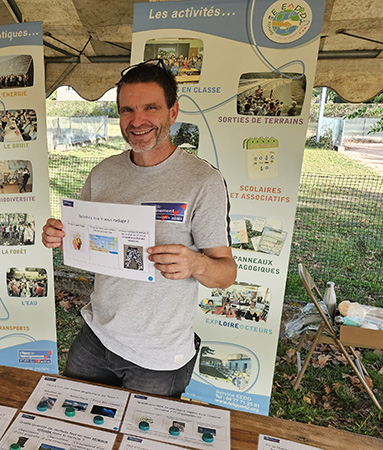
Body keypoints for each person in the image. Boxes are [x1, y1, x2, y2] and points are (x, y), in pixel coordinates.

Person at [41, 61, 236, 398]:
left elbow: (226, 274)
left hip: (157, 356)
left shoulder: (203, 181)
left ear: (173, 112)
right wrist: (59, 236)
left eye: (150, 108)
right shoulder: (103, 173)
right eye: (127, 110)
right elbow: (85, 240)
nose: (137, 120)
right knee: (73, 420)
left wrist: (196, 263)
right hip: (96, 336)